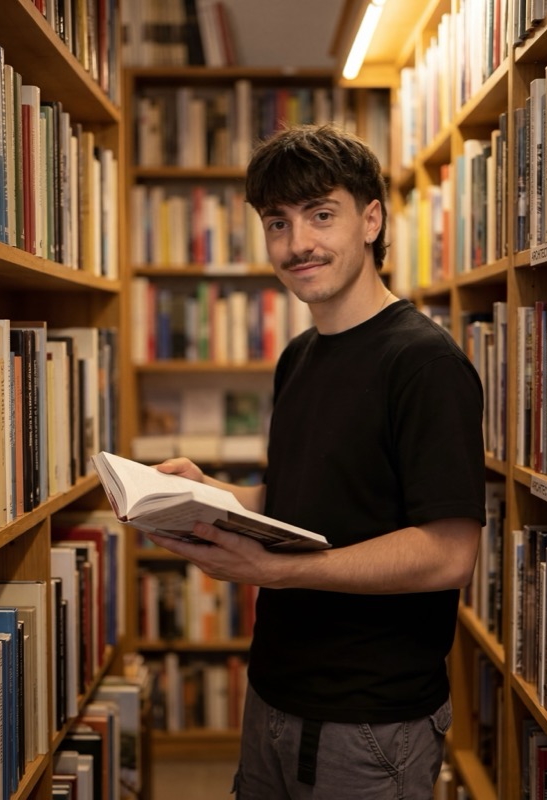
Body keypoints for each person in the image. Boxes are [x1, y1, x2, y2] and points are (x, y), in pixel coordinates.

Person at [151, 124, 486, 799]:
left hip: (369, 721)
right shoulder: (297, 357)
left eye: (320, 215)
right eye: (278, 222)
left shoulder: (423, 362)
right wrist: (213, 493)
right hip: (272, 694)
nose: (297, 242)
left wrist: (281, 571)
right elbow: (301, 497)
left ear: (370, 219)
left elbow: (449, 552)